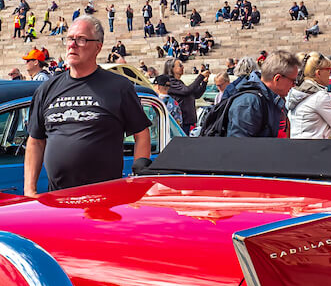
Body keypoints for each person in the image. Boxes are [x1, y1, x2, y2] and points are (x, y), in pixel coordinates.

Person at [25, 18, 151, 193]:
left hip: (104, 200)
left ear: (98, 47)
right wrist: (29, 190)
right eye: (69, 39)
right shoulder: (47, 89)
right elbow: (36, 142)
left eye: (81, 39)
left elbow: (141, 133)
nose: (72, 45)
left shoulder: (119, 87)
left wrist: (138, 178)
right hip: (58, 199)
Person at [220, 53, 300, 138]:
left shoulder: (274, 99)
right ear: (277, 78)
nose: (294, 85)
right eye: (293, 81)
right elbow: (239, 146)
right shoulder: (249, 103)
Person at [287, 54, 331, 140]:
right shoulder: (319, 97)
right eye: (329, 70)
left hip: (297, 145)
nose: (330, 74)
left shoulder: (297, 92)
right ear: (318, 73)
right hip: (315, 148)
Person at [157, 58, 208, 133]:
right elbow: (186, 91)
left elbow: (196, 95)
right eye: (180, 65)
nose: (183, 67)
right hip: (181, 122)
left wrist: (204, 83)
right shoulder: (171, 82)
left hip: (187, 122)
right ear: (172, 68)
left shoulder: (179, 82)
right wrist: (200, 77)